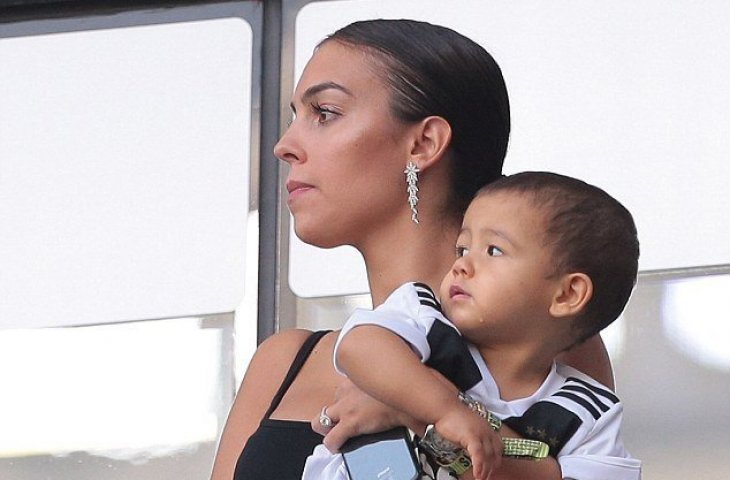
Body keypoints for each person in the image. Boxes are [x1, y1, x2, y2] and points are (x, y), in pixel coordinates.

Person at [210, 19, 615, 480]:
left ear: (423, 143)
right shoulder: (283, 362)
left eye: (324, 112)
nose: (285, 145)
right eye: (293, 116)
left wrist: (425, 411)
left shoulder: (548, 337)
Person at [302, 171, 642, 480]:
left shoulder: (587, 412)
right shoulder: (424, 315)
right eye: (462, 247)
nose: (463, 264)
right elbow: (358, 347)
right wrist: (444, 409)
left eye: (493, 250)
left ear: (567, 294)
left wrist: (422, 416)